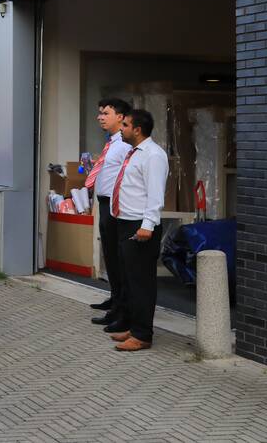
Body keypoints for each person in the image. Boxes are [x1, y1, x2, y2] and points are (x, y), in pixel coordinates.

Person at [108, 108, 169, 352]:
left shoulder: (153, 155)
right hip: (125, 222)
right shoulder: (134, 153)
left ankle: (143, 335)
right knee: (130, 280)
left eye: (125, 125)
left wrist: (147, 226)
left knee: (142, 282)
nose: (120, 129)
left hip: (140, 226)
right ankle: (135, 327)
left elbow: (155, 194)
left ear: (137, 129)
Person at [84, 98, 133, 330]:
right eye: (100, 113)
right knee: (110, 256)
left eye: (106, 113)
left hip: (116, 206)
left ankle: (120, 308)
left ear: (121, 117)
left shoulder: (124, 145)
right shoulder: (112, 143)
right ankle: (115, 298)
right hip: (104, 203)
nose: (100, 117)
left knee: (117, 257)